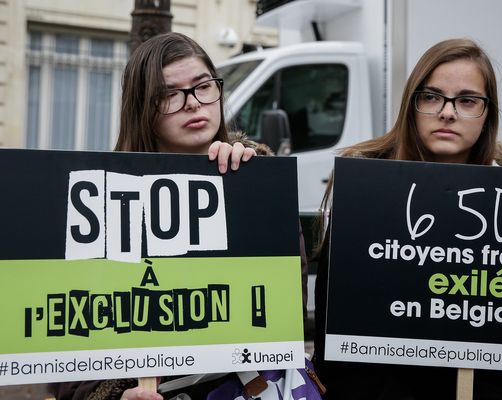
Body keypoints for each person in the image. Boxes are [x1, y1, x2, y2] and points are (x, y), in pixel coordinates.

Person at [50, 32, 309, 400]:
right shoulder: (101, 200)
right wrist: (113, 397)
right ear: (143, 108)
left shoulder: (256, 180)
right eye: (169, 94)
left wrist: (249, 190)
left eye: (203, 86)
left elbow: (285, 312)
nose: (193, 103)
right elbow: (65, 342)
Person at [313, 38, 502, 399]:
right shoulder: (363, 189)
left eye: (467, 100)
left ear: (488, 112)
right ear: (413, 104)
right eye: (432, 97)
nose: (447, 112)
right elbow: (336, 336)